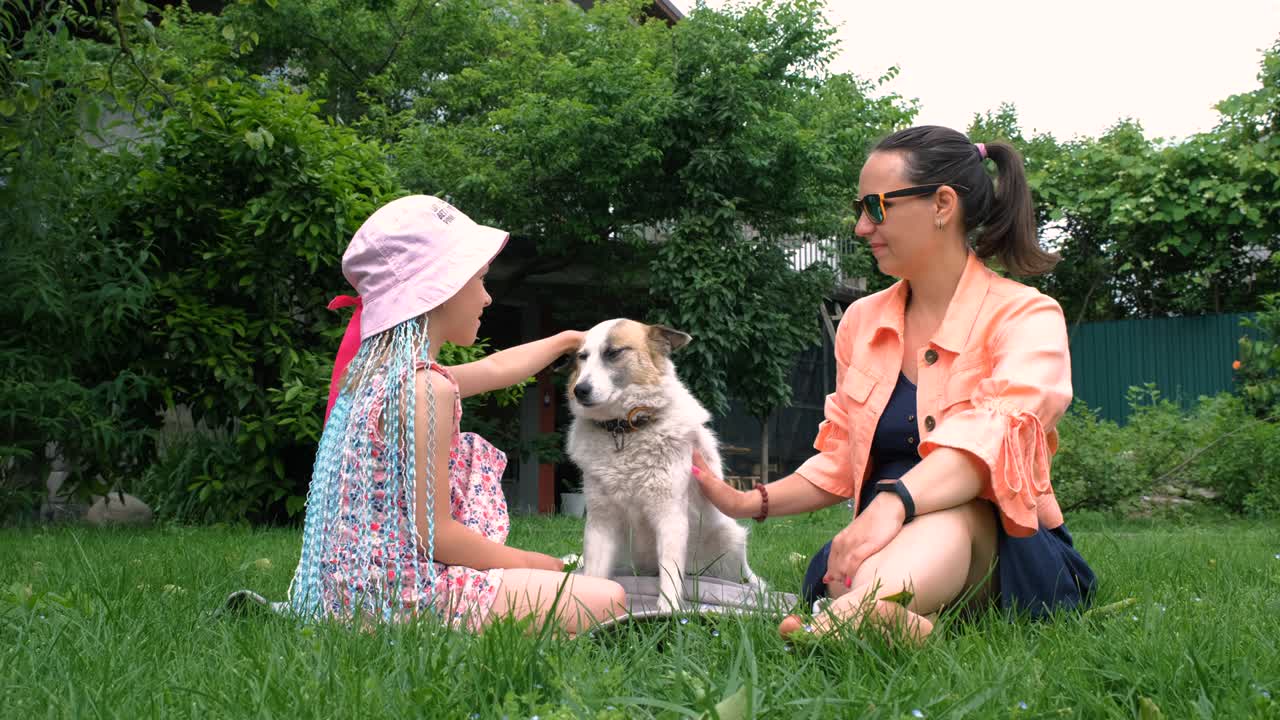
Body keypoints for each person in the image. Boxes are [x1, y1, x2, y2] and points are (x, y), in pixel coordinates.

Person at [692, 126, 1096, 642]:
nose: (862, 227)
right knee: (874, 559)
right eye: (860, 209)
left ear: (942, 204)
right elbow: (841, 454)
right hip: (883, 543)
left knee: (956, 514)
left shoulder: (1027, 315)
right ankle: (888, 625)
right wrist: (752, 502)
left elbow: (993, 441)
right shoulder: (861, 321)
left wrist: (893, 502)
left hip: (1003, 550)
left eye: (876, 207)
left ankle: (843, 622)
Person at [286, 195, 626, 633]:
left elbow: (496, 368)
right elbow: (436, 536)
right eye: (481, 280)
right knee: (608, 598)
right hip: (408, 598)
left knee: (578, 589)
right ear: (440, 288)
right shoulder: (426, 390)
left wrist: (565, 340)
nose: (487, 298)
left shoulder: (382, 379)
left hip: (362, 589)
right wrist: (536, 563)